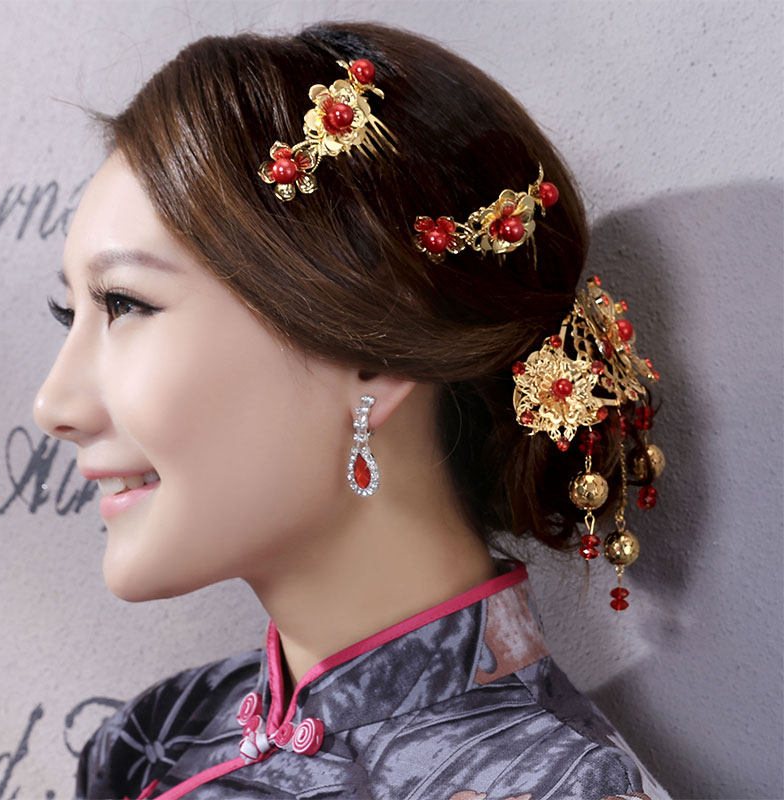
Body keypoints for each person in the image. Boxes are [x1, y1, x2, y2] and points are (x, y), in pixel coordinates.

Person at [33, 20, 670, 800]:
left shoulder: (557, 785)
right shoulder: (157, 736)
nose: (53, 404)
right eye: (71, 316)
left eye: (126, 304)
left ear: (375, 353)